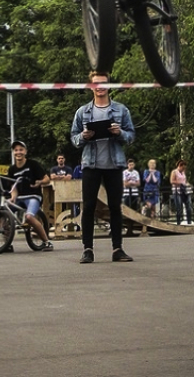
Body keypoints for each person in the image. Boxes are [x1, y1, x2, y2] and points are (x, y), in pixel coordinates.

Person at [70, 70, 135, 263]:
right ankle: (87, 249)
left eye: (103, 83)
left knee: (115, 206)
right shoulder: (82, 112)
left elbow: (131, 136)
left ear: (108, 85)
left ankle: (117, 249)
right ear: (91, 86)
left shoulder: (121, 110)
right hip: (91, 164)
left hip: (114, 165)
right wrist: (83, 136)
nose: (100, 87)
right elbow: (74, 139)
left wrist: (120, 133)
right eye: (96, 83)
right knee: (88, 207)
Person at [7, 140, 53, 251]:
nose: (18, 152)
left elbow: (47, 179)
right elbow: (14, 187)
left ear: (25, 152)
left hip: (33, 196)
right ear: (13, 152)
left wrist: (40, 182)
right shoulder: (12, 169)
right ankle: (6, 243)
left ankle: (47, 242)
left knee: (29, 217)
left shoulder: (33, 164)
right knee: (3, 211)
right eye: (16, 150)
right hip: (19, 198)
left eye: (21, 150)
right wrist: (13, 197)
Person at [170, 160, 193, 225]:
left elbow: (185, 180)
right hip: (177, 191)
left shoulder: (183, 172)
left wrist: (188, 184)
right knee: (179, 207)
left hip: (185, 190)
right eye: (183, 167)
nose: (183, 169)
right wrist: (180, 183)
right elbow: (172, 181)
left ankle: (189, 221)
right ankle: (178, 222)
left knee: (188, 205)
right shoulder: (174, 172)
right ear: (180, 166)